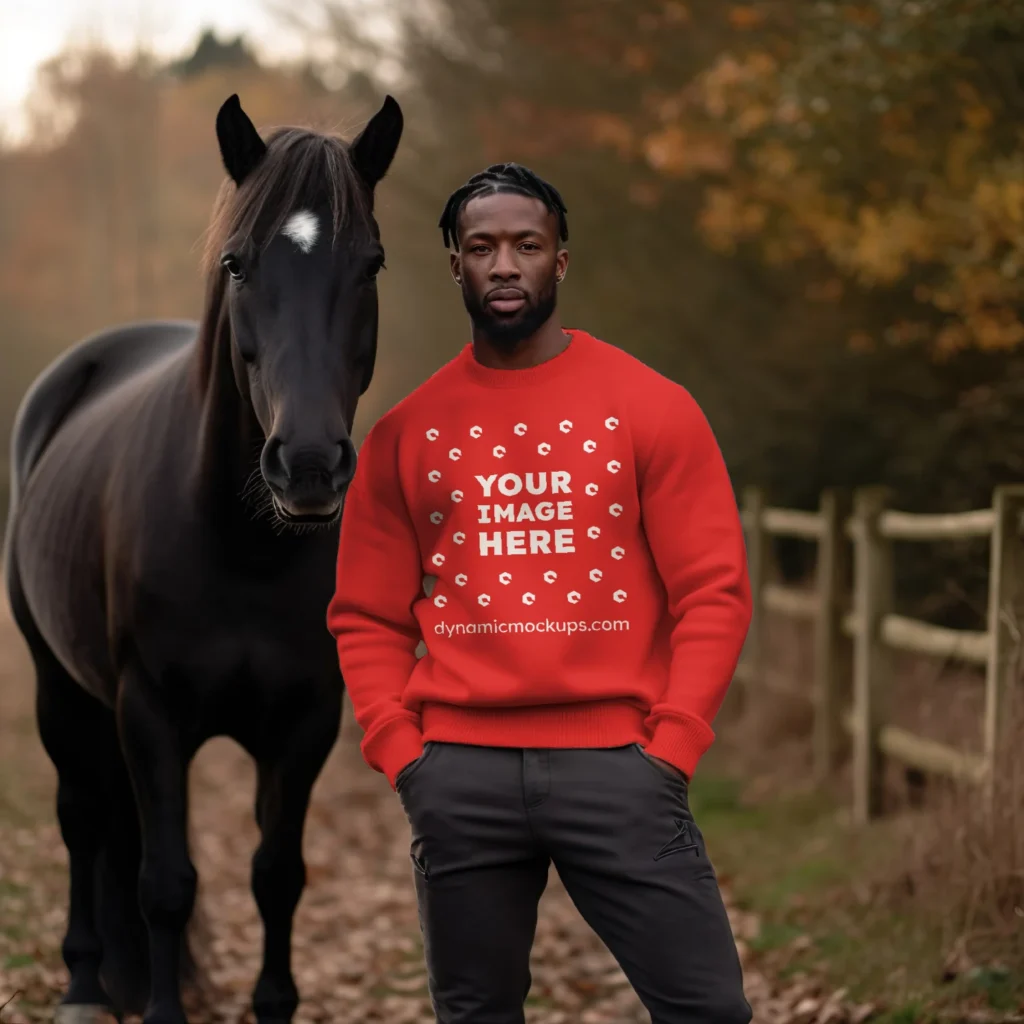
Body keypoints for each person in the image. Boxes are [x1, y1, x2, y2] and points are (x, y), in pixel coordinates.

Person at [327, 163, 754, 1024]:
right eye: (482, 248)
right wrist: (404, 755)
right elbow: (365, 616)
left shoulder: (652, 408)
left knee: (710, 1012)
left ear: (562, 260)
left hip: (623, 771)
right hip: (460, 779)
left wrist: (672, 748)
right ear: (454, 264)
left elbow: (713, 590)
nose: (506, 265)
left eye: (528, 245)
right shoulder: (406, 434)